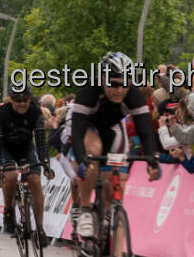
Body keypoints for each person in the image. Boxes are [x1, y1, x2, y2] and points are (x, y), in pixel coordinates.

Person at [68, 52, 161, 240]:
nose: (119, 90)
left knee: (112, 184)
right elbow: (76, 132)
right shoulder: (89, 90)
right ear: (102, 78)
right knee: (92, 154)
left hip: (113, 130)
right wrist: (81, 159)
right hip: (87, 128)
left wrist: (152, 160)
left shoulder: (133, 94)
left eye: (124, 83)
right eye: (113, 83)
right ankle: (85, 209)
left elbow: (145, 131)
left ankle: (106, 219)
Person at [0, 81, 54, 236]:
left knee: (35, 180)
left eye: (25, 99)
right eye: (17, 100)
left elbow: (40, 141)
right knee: (10, 176)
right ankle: (8, 210)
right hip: (6, 149)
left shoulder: (35, 111)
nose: (21, 103)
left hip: (26, 148)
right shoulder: (0, 114)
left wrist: (46, 164)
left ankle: (39, 227)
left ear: (30, 99)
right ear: (11, 100)